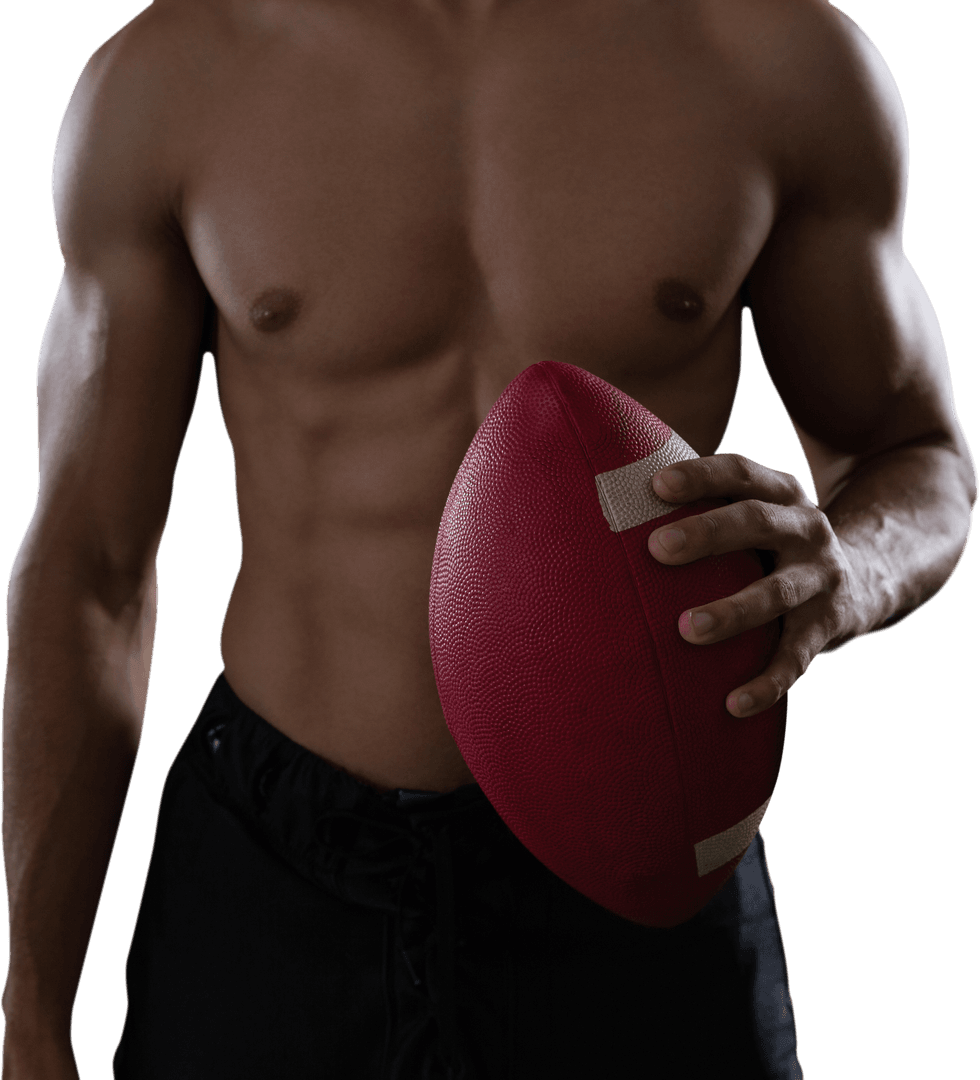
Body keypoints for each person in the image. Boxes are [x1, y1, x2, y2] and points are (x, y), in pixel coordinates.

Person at [2, 0, 975, 1076]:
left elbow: (917, 452)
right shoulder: (174, 77)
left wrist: (854, 572)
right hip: (280, 868)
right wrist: (32, 1012)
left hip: (647, 849)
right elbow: (88, 568)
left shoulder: (767, 56)